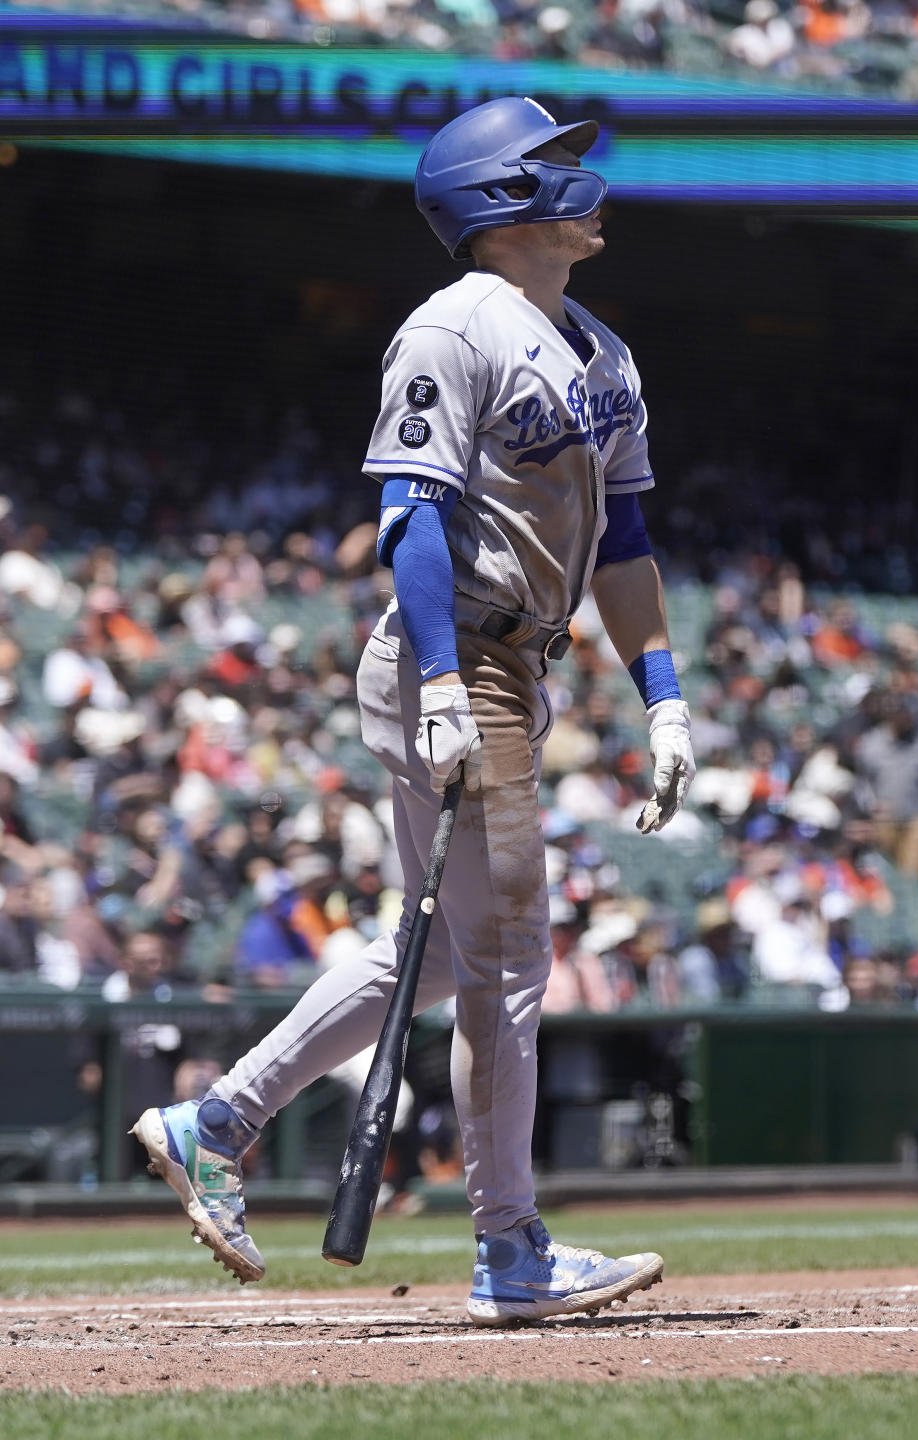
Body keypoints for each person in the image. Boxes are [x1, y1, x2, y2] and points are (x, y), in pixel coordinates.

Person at [131, 96, 695, 1325]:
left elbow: (630, 544)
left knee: (442, 948)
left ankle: (214, 1119)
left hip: (520, 666)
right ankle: (510, 1246)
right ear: (500, 196)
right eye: (555, 163)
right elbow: (413, 517)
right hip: (452, 663)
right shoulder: (451, 328)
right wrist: (443, 680)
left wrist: (664, 699)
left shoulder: (602, 349)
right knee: (510, 957)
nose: (584, 178)